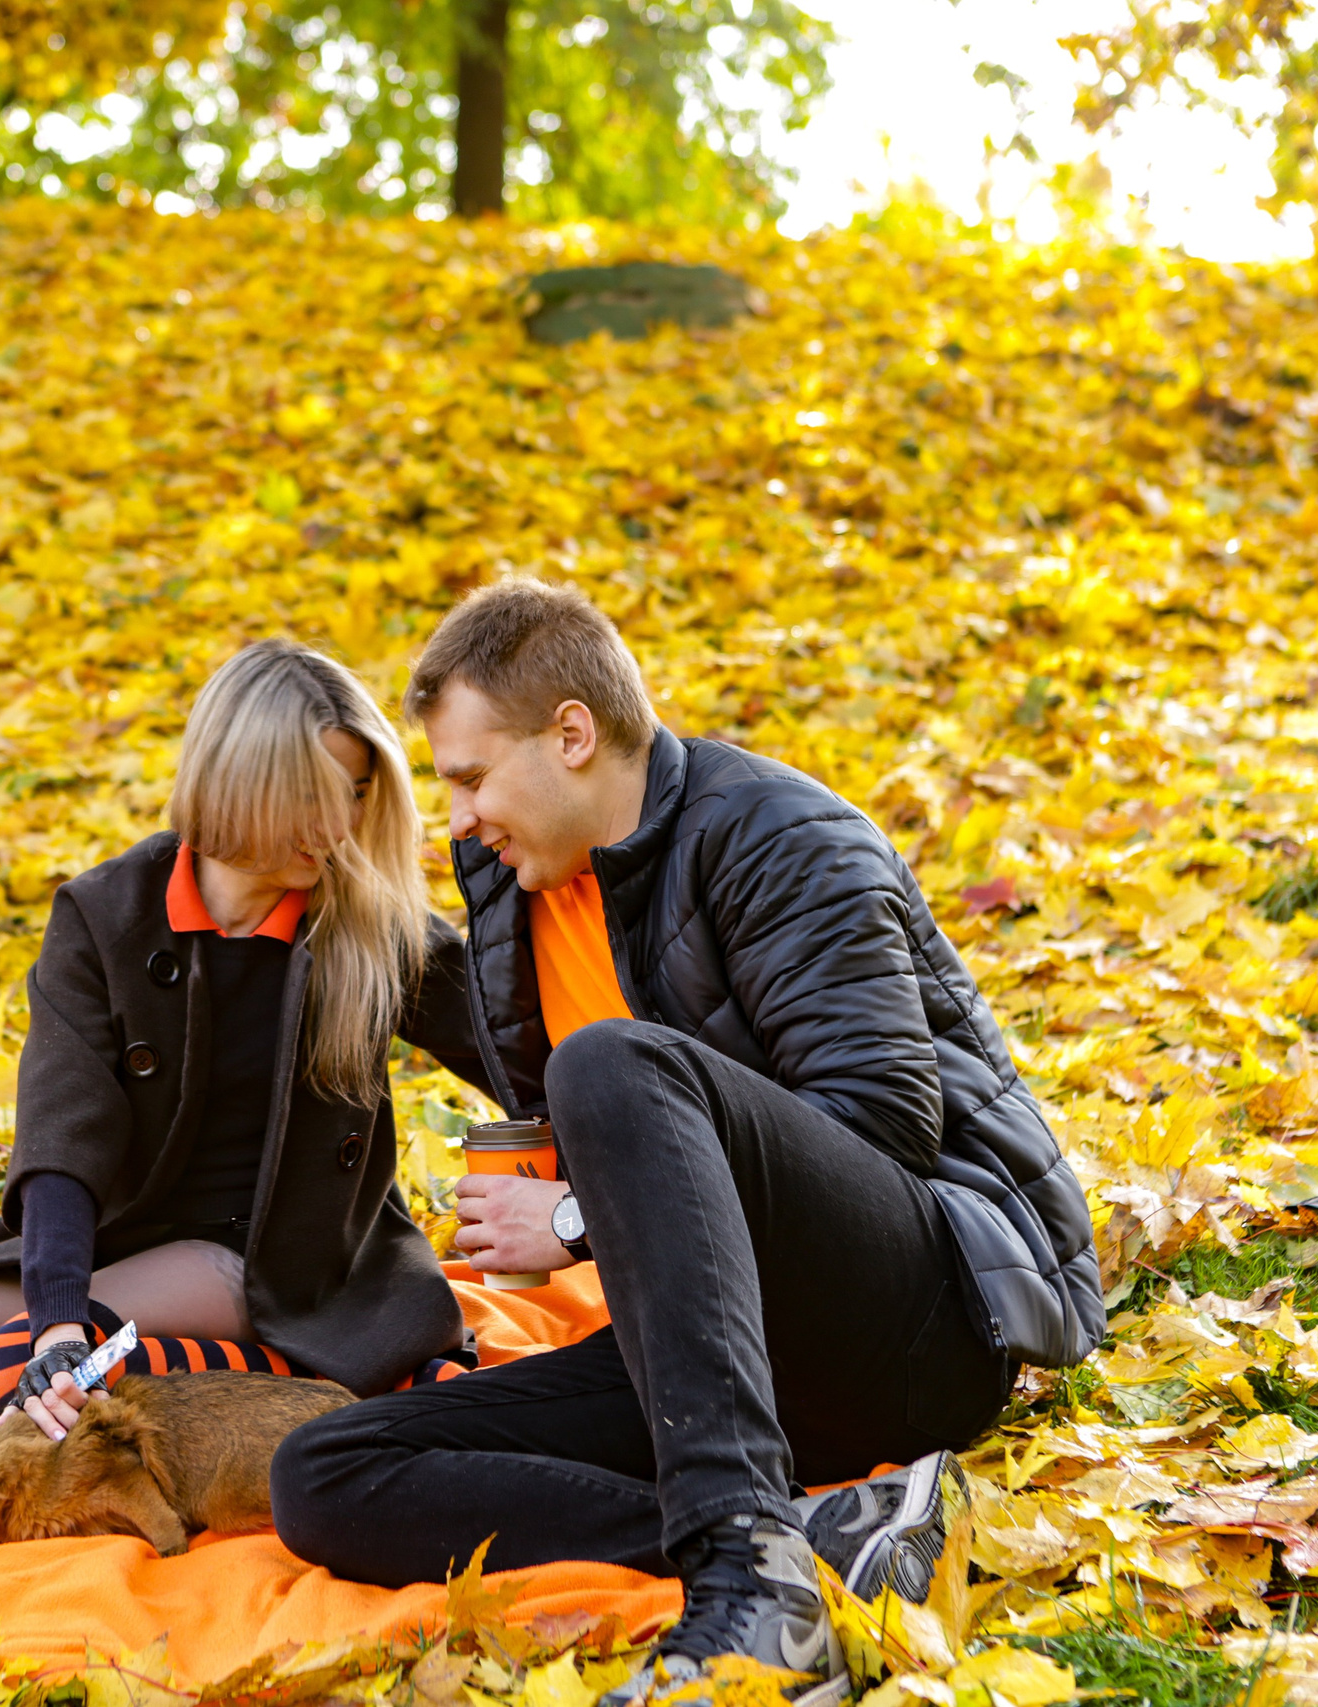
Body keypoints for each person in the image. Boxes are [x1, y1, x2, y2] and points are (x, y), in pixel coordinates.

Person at [268, 582, 1102, 1705]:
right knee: (326, 1473)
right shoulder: (523, 881)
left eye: (469, 776)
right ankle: (812, 1540)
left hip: (921, 1319)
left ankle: (752, 1594)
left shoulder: (779, 837)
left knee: (612, 1062)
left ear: (571, 734)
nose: (457, 816)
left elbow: (880, 1123)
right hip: (718, 1359)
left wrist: (571, 1222)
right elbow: (529, 1055)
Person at [0, 638, 495, 1440]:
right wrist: (59, 1320)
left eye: (354, 793)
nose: (338, 824)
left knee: (8, 1378)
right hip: (119, 1247)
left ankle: (324, 1374)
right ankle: (301, 1383)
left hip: (271, 1266)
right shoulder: (105, 915)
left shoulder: (370, 925)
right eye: (311, 795)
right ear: (236, 780)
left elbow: (516, 1052)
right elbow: (62, 1143)